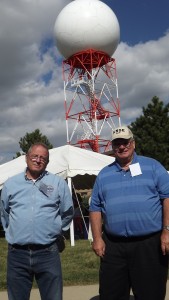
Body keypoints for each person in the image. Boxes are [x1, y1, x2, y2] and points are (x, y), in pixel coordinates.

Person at [89, 125, 169, 300]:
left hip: (148, 245)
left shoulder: (153, 167)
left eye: (125, 142)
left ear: (133, 143)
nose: (122, 147)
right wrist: (97, 238)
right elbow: (95, 207)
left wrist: (166, 231)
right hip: (114, 246)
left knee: (151, 294)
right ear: (113, 146)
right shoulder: (104, 174)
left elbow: (167, 198)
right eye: (117, 143)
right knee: (111, 294)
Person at [1, 142, 74, 300]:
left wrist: (57, 231)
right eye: (34, 156)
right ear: (26, 158)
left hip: (48, 253)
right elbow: (4, 213)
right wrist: (12, 232)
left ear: (47, 162)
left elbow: (67, 212)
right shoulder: (11, 184)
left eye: (43, 158)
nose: (38, 160)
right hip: (17, 254)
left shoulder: (57, 184)